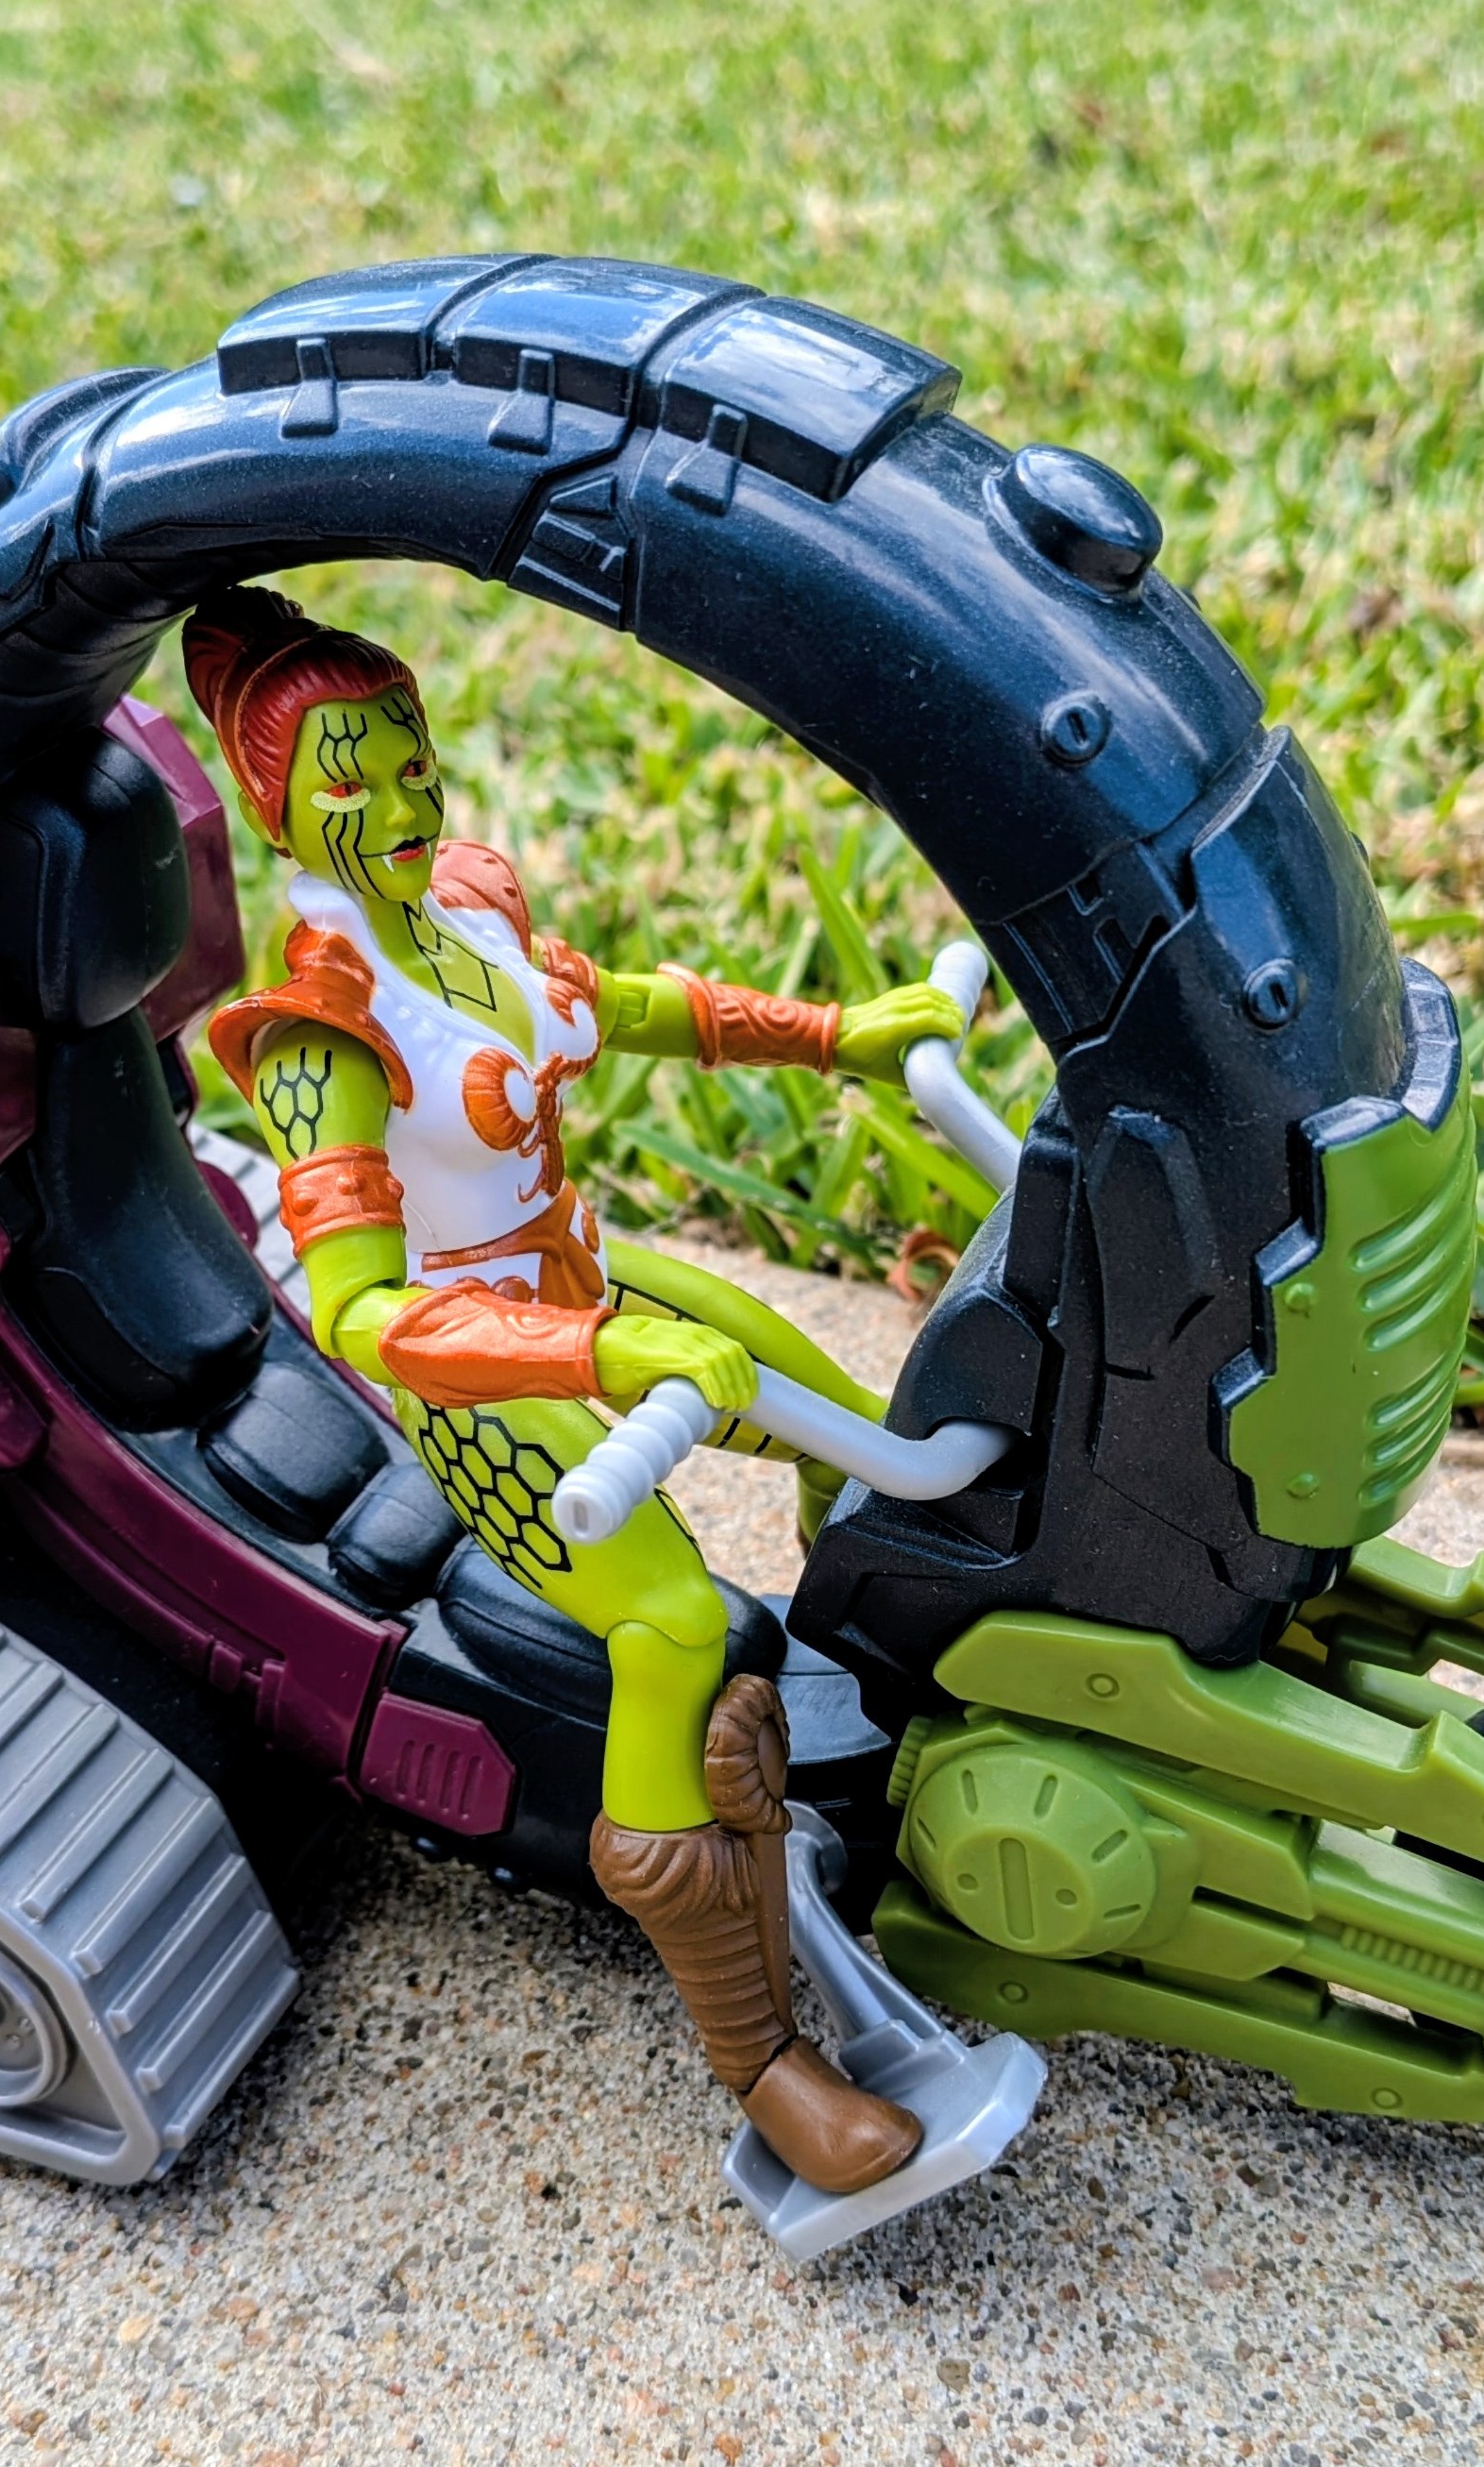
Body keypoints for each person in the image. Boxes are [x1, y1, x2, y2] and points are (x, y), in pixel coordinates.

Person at [194, 586, 961, 2193]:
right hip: (481, 1375)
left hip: (582, 1279)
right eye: (349, 777)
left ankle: (905, 1706)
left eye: (410, 758)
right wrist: (603, 1359)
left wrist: (841, 1035)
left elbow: (631, 1007)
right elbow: (363, 1313)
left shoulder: (473, 916)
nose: (400, 801)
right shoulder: (321, 1036)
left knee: (855, 1429)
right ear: (277, 810)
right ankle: (764, 2060)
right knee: (669, 1626)